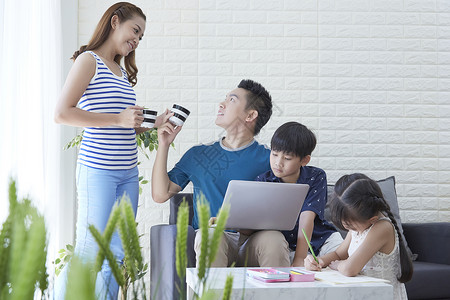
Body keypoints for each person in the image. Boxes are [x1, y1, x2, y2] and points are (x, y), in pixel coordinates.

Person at [53, 3, 159, 299]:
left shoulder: (121, 72)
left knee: (118, 253)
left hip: (127, 173)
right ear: (115, 22)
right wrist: (118, 119)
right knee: (90, 249)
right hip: (98, 171)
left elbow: (122, 124)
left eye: (141, 37)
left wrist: (151, 124)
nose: (137, 40)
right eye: (135, 31)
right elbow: (62, 113)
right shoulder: (89, 61)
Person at [152, 79, 290, 267]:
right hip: (215, 238)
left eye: (232, 100)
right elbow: (160, 194)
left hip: (254, 241)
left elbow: (286, 205)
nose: (222, 104)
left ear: (250, 115)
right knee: (210, 236)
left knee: (274, 239)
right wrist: (164, 144)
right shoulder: (198, 155)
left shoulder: (271, 159)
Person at [304, 173, 413, 300]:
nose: (348, 229)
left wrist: (338, 265)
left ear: (372, 219)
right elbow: (339, 254)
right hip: (363, 292)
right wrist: (320, 261)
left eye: (351, 227)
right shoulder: (359, 228)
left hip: (380, 294)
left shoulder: (382, 228)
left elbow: (350, 269)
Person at [255, 122, 343, 267]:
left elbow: (307, 217)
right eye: (274, 154)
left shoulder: (316, 176)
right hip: (287, 245)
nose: (278, 163)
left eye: (287, 158)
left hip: (321, 239)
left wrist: (300, 258)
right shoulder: (263, 181)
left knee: (344, 264)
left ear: (304, 160)